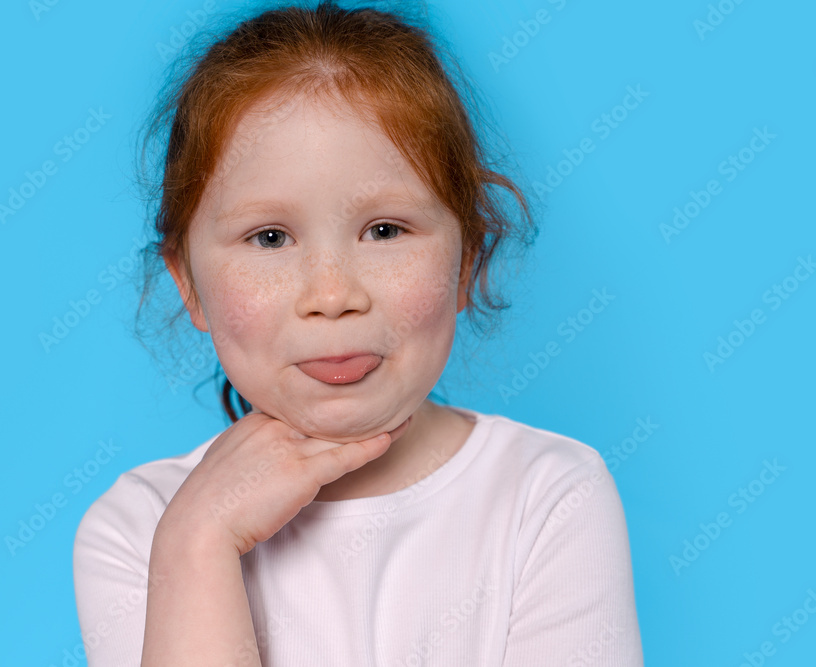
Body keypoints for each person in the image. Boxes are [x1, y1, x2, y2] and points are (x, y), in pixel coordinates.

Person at [73, 1, 643, 665]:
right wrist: (200, 546)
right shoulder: (142, 528)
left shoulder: (548, 496)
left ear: (468, 262)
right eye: (270, 237)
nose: (333, 294)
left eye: (385, 230)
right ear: (189, 285)